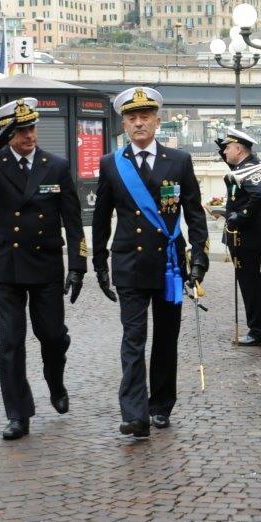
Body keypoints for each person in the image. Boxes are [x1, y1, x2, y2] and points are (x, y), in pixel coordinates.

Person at [0, 98, 87, 440]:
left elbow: (73, 221)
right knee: (11, 341)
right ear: (6, 133)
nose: (28, 135)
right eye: (19, 130)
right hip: (6, 265)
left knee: (52, 336)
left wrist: (78, 266)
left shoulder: (55, 165)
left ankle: (55, 381)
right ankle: (17, 414)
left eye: (31, 128)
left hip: (45, 264)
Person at [92, 86, 208, 440]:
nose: (139, 123)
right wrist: (99, 262)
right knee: (133, 338)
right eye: (132, 118)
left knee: (166, 338)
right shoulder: (112, 164)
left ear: (158, 121)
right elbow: (101, 218)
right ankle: (134, 413)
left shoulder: (180, 161)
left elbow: (195, 214)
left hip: (170, 265)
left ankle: (160, 405)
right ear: (124, 124)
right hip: (128, 263)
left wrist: (199, 258)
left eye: (145, 117)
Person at [217, 127, 261, 347]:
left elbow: (259, 195)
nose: (225, 152)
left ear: (238, 149)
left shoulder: (248, 169)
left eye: (228, 148)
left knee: (250, 283)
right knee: (248, 282)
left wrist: (240, 216)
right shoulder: (243, 166)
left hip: (246, 236)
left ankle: (259, 331)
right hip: (242, 235)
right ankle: (257, 328)